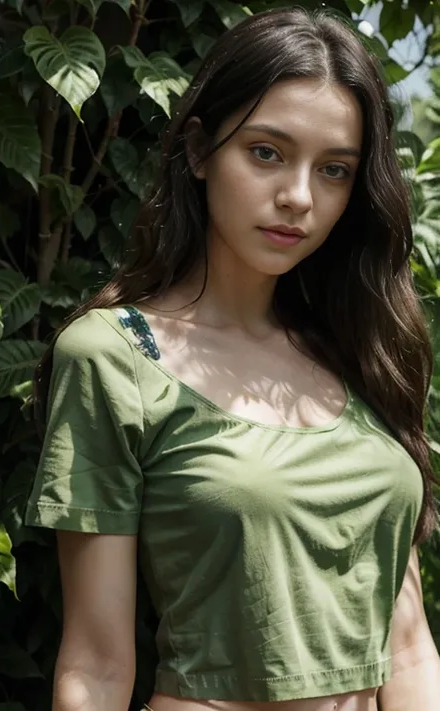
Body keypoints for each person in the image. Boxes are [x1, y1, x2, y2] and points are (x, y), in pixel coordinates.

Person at [25, 6, 440, 711]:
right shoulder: (116, 358)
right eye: (266, 152)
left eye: (334, 169)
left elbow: (407, 649)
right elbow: (95, 666)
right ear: (198, 150)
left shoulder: (357, 348)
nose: (298, 197)